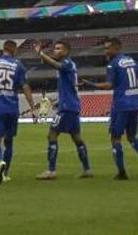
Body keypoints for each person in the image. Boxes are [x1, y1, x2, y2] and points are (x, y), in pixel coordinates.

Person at [83, 37, 138, 180]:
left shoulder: (113, 64)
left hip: (120, 105)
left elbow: (109, 85)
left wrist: (90, 84)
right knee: (132, 136)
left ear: (117, 48)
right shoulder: (132, 61)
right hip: (134, 104)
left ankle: (122, 172)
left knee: (115, 138)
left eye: (108, 48)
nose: (106, 51)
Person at [34, 39, 93, 180]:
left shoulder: (66, 63)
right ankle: (87, 169)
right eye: (55, 48)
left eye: (59, 48)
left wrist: (41, 53)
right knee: (77, 138)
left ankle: (51, 170)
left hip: (66, 108)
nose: (55, 51)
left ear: (66, 51)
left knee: (52, 135)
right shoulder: (70, 65)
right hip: (71, 106)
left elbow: (54, 63)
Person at [0, 39, 37, 184]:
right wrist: (33, 108)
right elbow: (25, 87)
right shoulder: (18, 65)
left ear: (3, 49)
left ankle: (0, 161)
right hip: (12, 108)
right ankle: (5, 174)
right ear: (14, 50)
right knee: (9, 142)